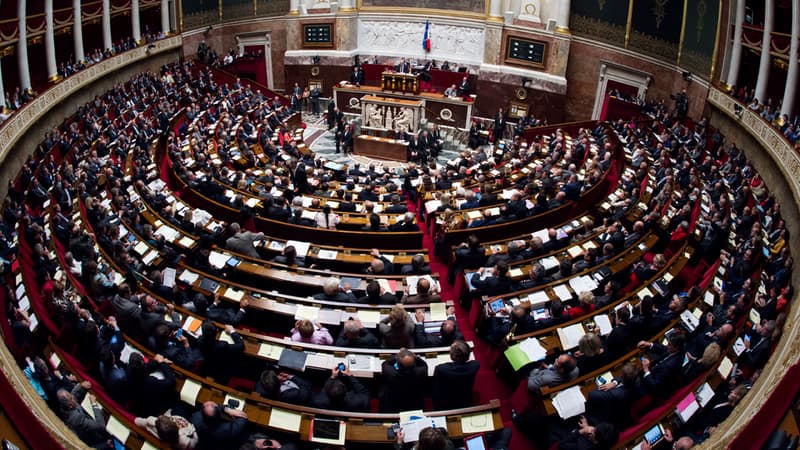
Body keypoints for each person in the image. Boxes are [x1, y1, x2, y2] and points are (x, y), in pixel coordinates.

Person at [56, 382, 111, 448]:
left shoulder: (64, 406)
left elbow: (73, 394)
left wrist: (81, 386)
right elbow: (101, 425)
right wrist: (94, 404)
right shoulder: (76, 418)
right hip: (94, 442)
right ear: (70, 406)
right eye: (71, 398)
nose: (73, 397)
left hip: (91, 426)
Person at [432, 340, 480, 410]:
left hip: (446, 401)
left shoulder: (440, 369)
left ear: (453, 356)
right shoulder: (475, 365)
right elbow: (474, 362)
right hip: (464, 398)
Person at [638, 332, 686, 398]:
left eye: (669, 344)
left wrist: (646, 370)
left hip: (650, 387)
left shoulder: (670, 366)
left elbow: (655, 386)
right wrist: (649, 344)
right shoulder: (678, 350)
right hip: (655, 370)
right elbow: (664, 349)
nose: (667, 345)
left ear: (676, 347)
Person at [379, 348, 428, 412]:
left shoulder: (389, 372)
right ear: (414, 365)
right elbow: (424, 364)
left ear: (398, 365)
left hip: (392, 405)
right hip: (414, 405)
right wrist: (415, 357)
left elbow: (386, 363)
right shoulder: (421, 372)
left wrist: (398, 356)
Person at [135, 413, 199, 450]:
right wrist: (193, 430)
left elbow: (136, 421)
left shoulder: (150, 424)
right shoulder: (184, 442)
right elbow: (195, 441)